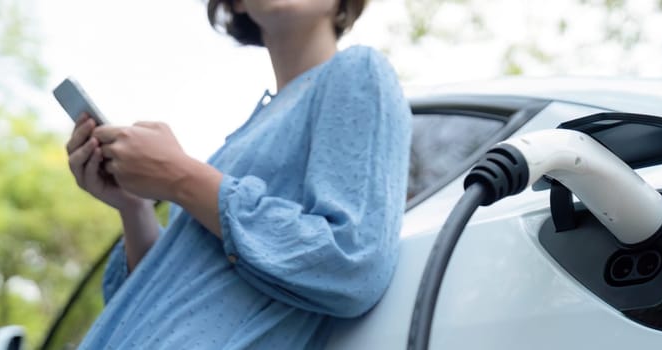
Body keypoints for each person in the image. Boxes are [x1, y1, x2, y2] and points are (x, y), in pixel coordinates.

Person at [64, 0, 411, 348]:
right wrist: (135, 208)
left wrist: (179, 176)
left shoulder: (358, 70)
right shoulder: (241, 137)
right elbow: (177, 291)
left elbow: (352, 262)